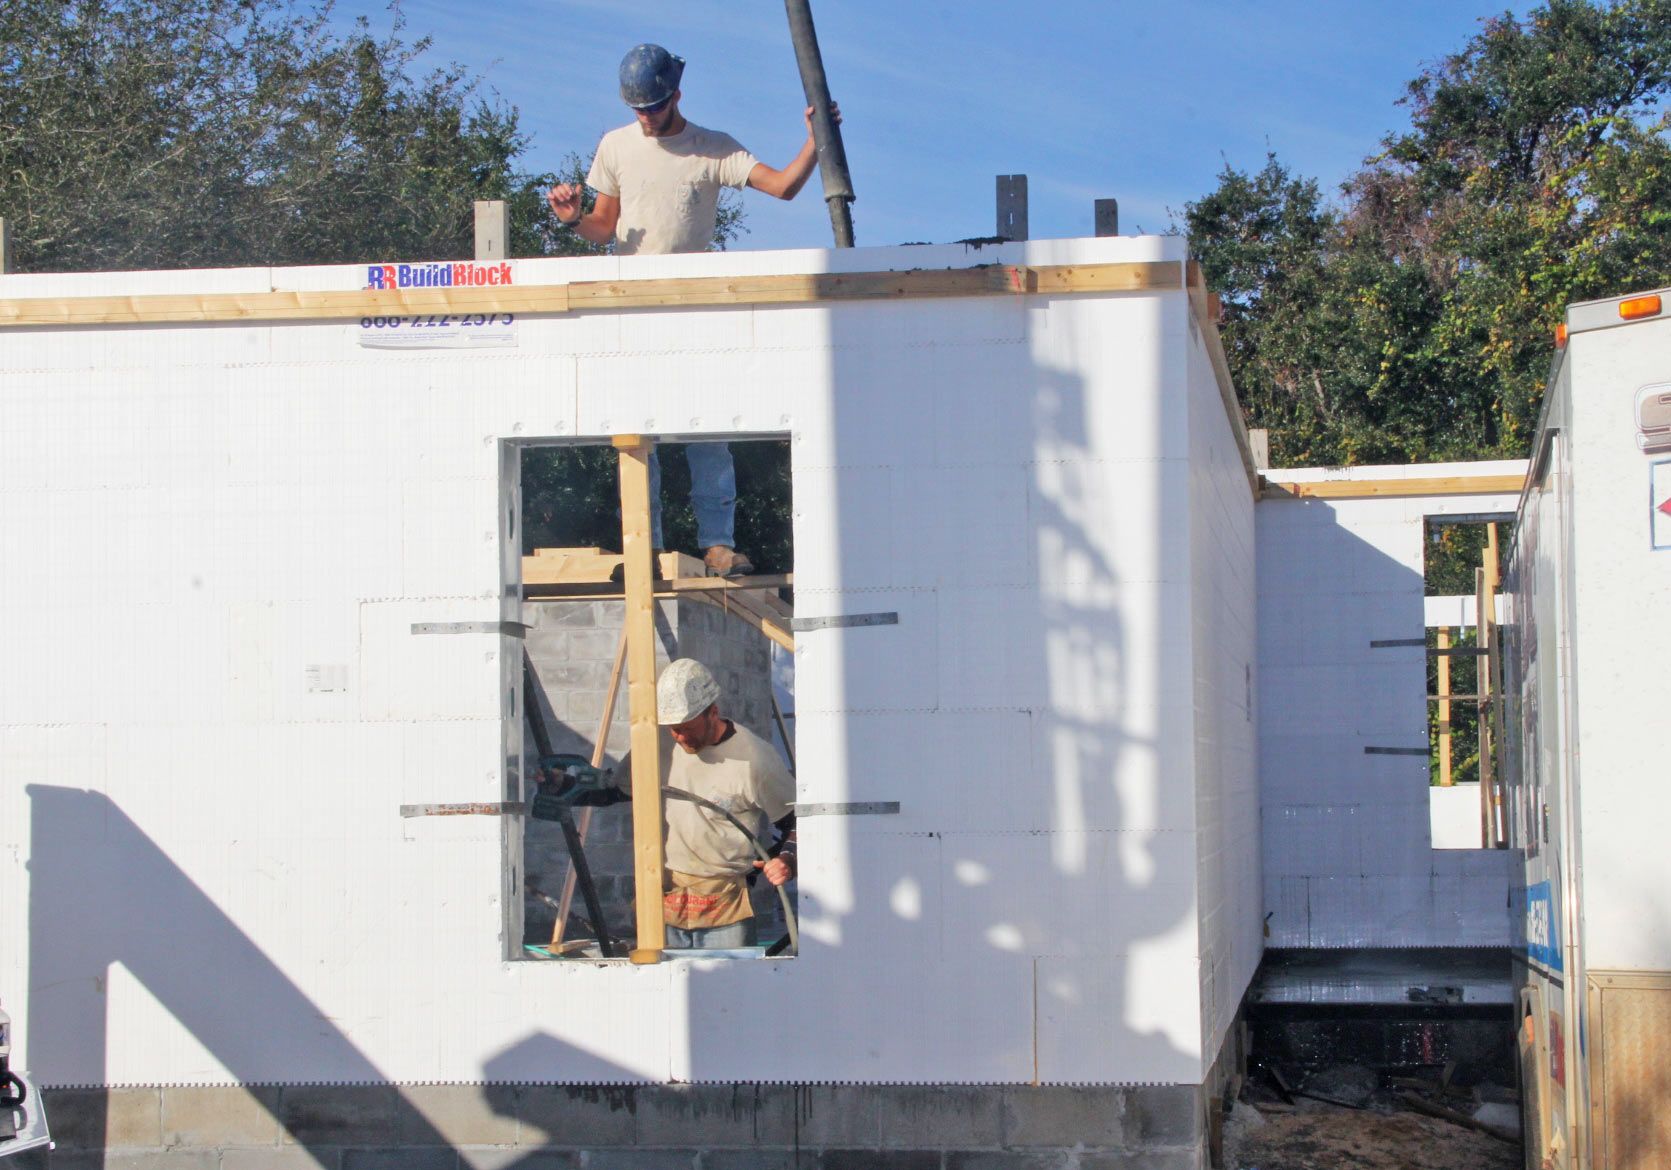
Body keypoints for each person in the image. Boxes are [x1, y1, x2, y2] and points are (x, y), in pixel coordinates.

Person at [546, 44, 840, 577]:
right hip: (632, 315)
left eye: (654, 107)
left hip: (695, 312)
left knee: (708, 429)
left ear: (675, 95)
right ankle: (647, 549)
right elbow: (602, 226)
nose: (646, 117)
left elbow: (782, 187)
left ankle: (718, 545)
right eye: (637, 108)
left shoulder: (711, 148)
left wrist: (817, 140)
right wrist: (572, 219)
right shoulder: (615, 146)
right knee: (637, 434)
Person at [553, 658, 796, 950]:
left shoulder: (754, 759)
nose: (679, 737)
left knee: (726, 990)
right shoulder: (658, 744)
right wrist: (564, 786)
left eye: (686, 728)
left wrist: (787, 859)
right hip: (664, 901)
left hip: (724, 908)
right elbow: (616, 791)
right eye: (672, 729)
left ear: (713, 713)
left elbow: (798, 821)